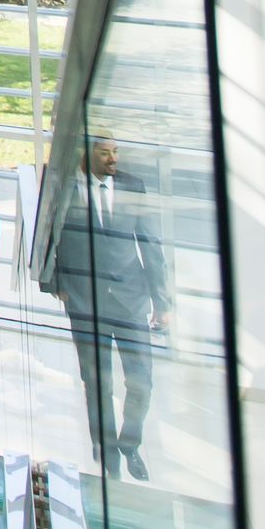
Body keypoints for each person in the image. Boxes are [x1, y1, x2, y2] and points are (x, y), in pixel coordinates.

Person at [53, 135, 166, 479]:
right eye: (105, 152)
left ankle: (129, 445)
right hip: (86, 302)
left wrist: (162, 301)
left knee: (142, 383)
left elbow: (150, 242)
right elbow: (47, 238)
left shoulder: (133, 186)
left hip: (130, 301)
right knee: (97, 384)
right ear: (86, 153)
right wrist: (56, 285)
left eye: (115, 151)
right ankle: (106, 455)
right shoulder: (63, 188)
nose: (113, 158)